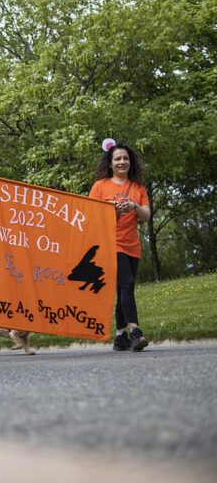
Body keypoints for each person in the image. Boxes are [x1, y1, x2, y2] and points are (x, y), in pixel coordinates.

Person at [89, 139, 151, 352]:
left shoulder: (138, 187)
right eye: (117, 159)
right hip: (110, 244)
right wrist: (112, 208)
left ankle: (120, 336)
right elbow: (92, 215)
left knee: (125, 288)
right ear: (110, 163)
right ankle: (135, 332)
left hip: (132, 245)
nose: (122, 162)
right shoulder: (100, 186)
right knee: (127, 283)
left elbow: (146, 216)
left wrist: (133, 205)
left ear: (130, 162)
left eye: (125, 158)